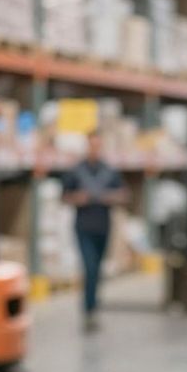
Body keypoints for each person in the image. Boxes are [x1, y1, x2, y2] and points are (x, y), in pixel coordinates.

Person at [62, 132, 128, 333]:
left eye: (98, 145)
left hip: (103, 226)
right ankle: (89, 309)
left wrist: (110, 197)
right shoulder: (76, 171)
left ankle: (94, 304)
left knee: (97, 269)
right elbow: (64, 196)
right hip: (84, 226)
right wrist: (77, 198)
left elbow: (124, 195)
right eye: (92, 145)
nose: (95, 149)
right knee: (89, 267)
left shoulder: (109, 171)